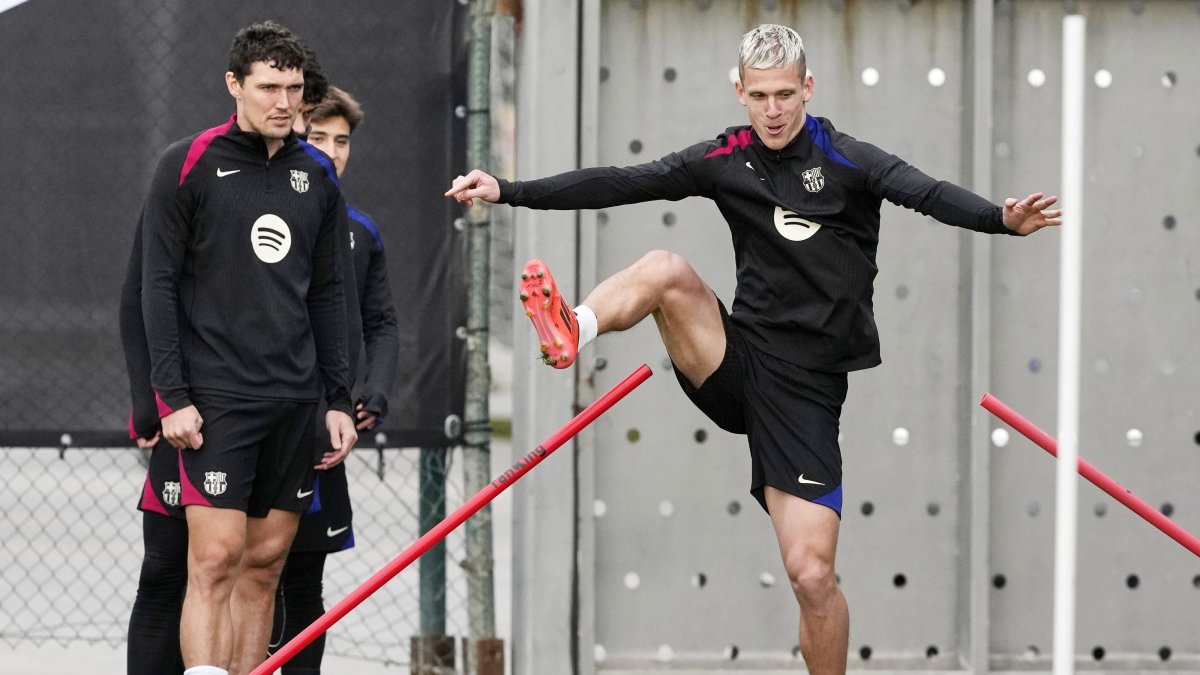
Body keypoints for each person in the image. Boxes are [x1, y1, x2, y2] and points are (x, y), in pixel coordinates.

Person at [446, 24, 1060, 675]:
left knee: (812, 575)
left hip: (808, 391)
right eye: (760, 95)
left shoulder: (849, 160)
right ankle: (577, 327)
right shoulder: (725, 157)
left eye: (785, 95)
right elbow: (624, 180)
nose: (773, 110)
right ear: (739, 91)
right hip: (736, 361)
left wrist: (1000, 218)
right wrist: (508, 190)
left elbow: (928, 193)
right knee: (665, 269)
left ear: (808, 89)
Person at [138, 20, 358, 675]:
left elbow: (328, 294)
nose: (284, 103)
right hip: (216, 399)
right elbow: (155, 285)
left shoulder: (316, 173)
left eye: (293, 89)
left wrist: (338, 398)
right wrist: (170, 396)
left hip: (294, 400)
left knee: (263, 566)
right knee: (214, 557)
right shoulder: (189, 162)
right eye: (268, 87)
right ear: (235, 85)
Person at [269, 85, 400, 675]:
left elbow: (382, 322)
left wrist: (370, 392)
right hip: (266, 424)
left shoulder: (361, 232)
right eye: (316, 135)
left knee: (305, 585)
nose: (330, 149)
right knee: (252, 577)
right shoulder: (258, 214)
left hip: (326, 433)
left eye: (341, 140)